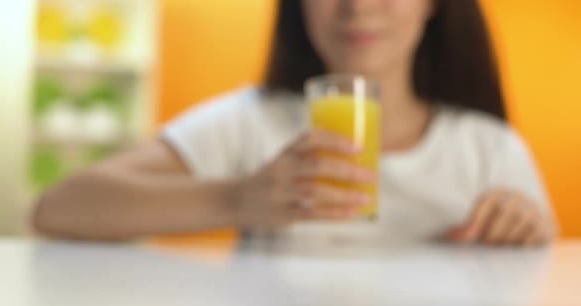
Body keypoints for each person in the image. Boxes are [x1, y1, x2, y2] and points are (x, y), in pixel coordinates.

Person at [33, 0, 557, 245]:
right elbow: (59, 207)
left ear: (432, 6)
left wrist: (525, 232)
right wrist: (238, 198)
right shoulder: (252, 123)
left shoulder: (489, 149)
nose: (357, 8)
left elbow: (542, 274)